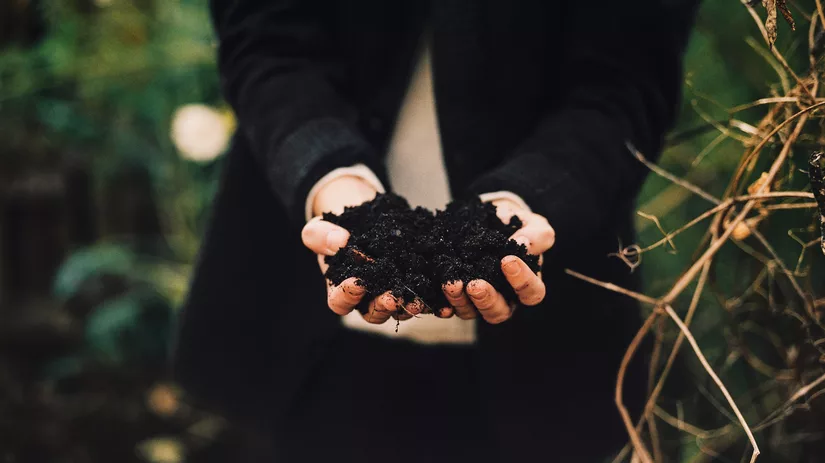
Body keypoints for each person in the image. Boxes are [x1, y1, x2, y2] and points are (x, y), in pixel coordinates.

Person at [173, 1, 699, 461]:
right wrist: (330, 175)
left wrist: (526, 198)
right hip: (303, 332)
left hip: (543, 357)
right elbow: (267, 41)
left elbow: (624, 86)